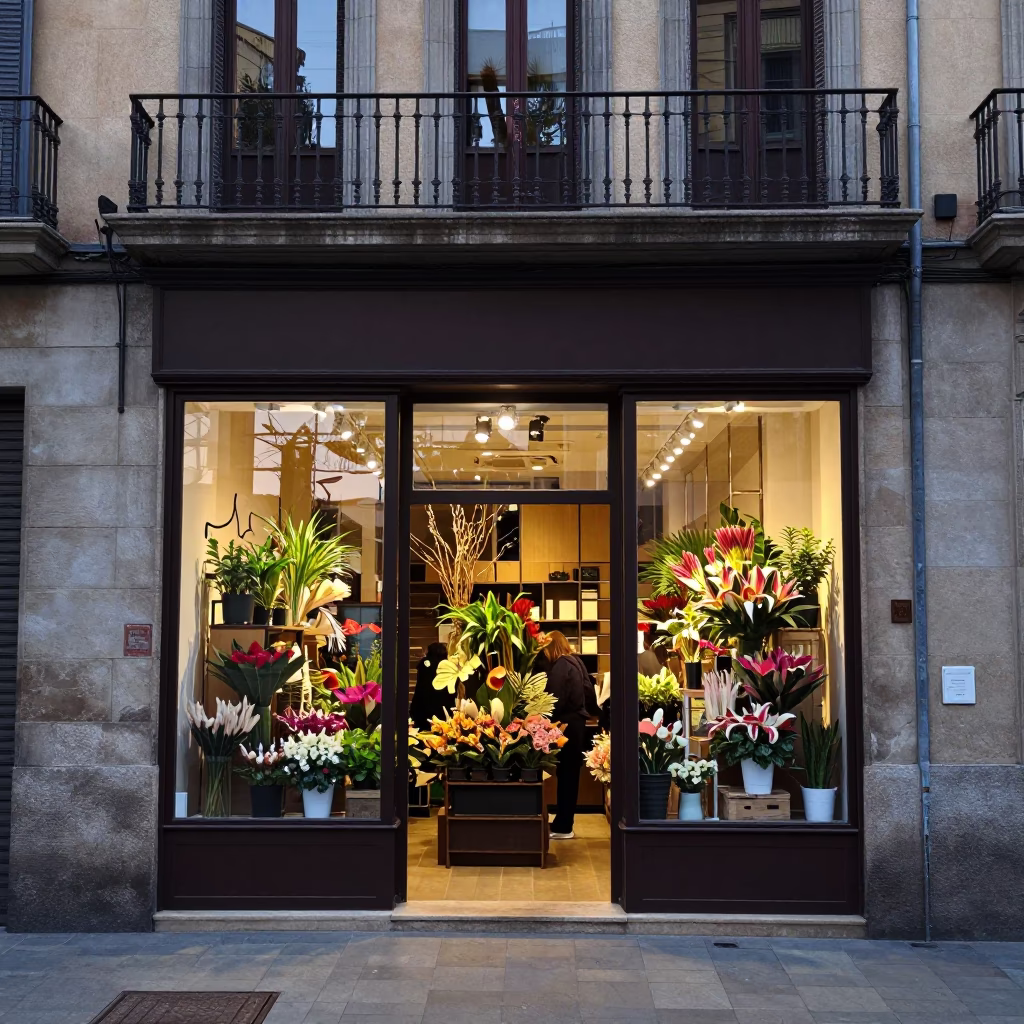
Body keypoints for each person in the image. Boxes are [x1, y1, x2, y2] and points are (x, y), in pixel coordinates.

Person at [543, 630, 596, 840]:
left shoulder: (560, 666)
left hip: (566, 725)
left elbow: (554, 699)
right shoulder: (577, 662)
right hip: (578, 723)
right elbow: (590, 692)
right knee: (571, 774)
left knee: (565, 774)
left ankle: (563, 825)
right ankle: (564, 822)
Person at [409, 642, 452, 730]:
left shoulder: (424, 664)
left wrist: (413, 710)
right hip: (444, 707)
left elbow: (420, 688)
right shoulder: (448, 665)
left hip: (424, 707)